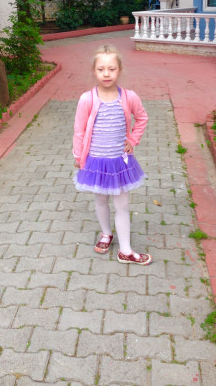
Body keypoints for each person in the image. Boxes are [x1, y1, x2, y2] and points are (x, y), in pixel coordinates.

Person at [73, 44, 152, 265]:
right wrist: (79, 157)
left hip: (120, 162)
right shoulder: (87, 99)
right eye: (101, 69)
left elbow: (142, 118)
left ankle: (125, 250)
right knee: (100, 199)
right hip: (96, 162)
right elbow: (79, 130)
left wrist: (132, 140)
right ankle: (106, 233)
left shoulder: (129, 97)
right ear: (94, 71)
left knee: (122, 204)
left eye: (111, 69)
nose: (106, 74)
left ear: (120, 70)